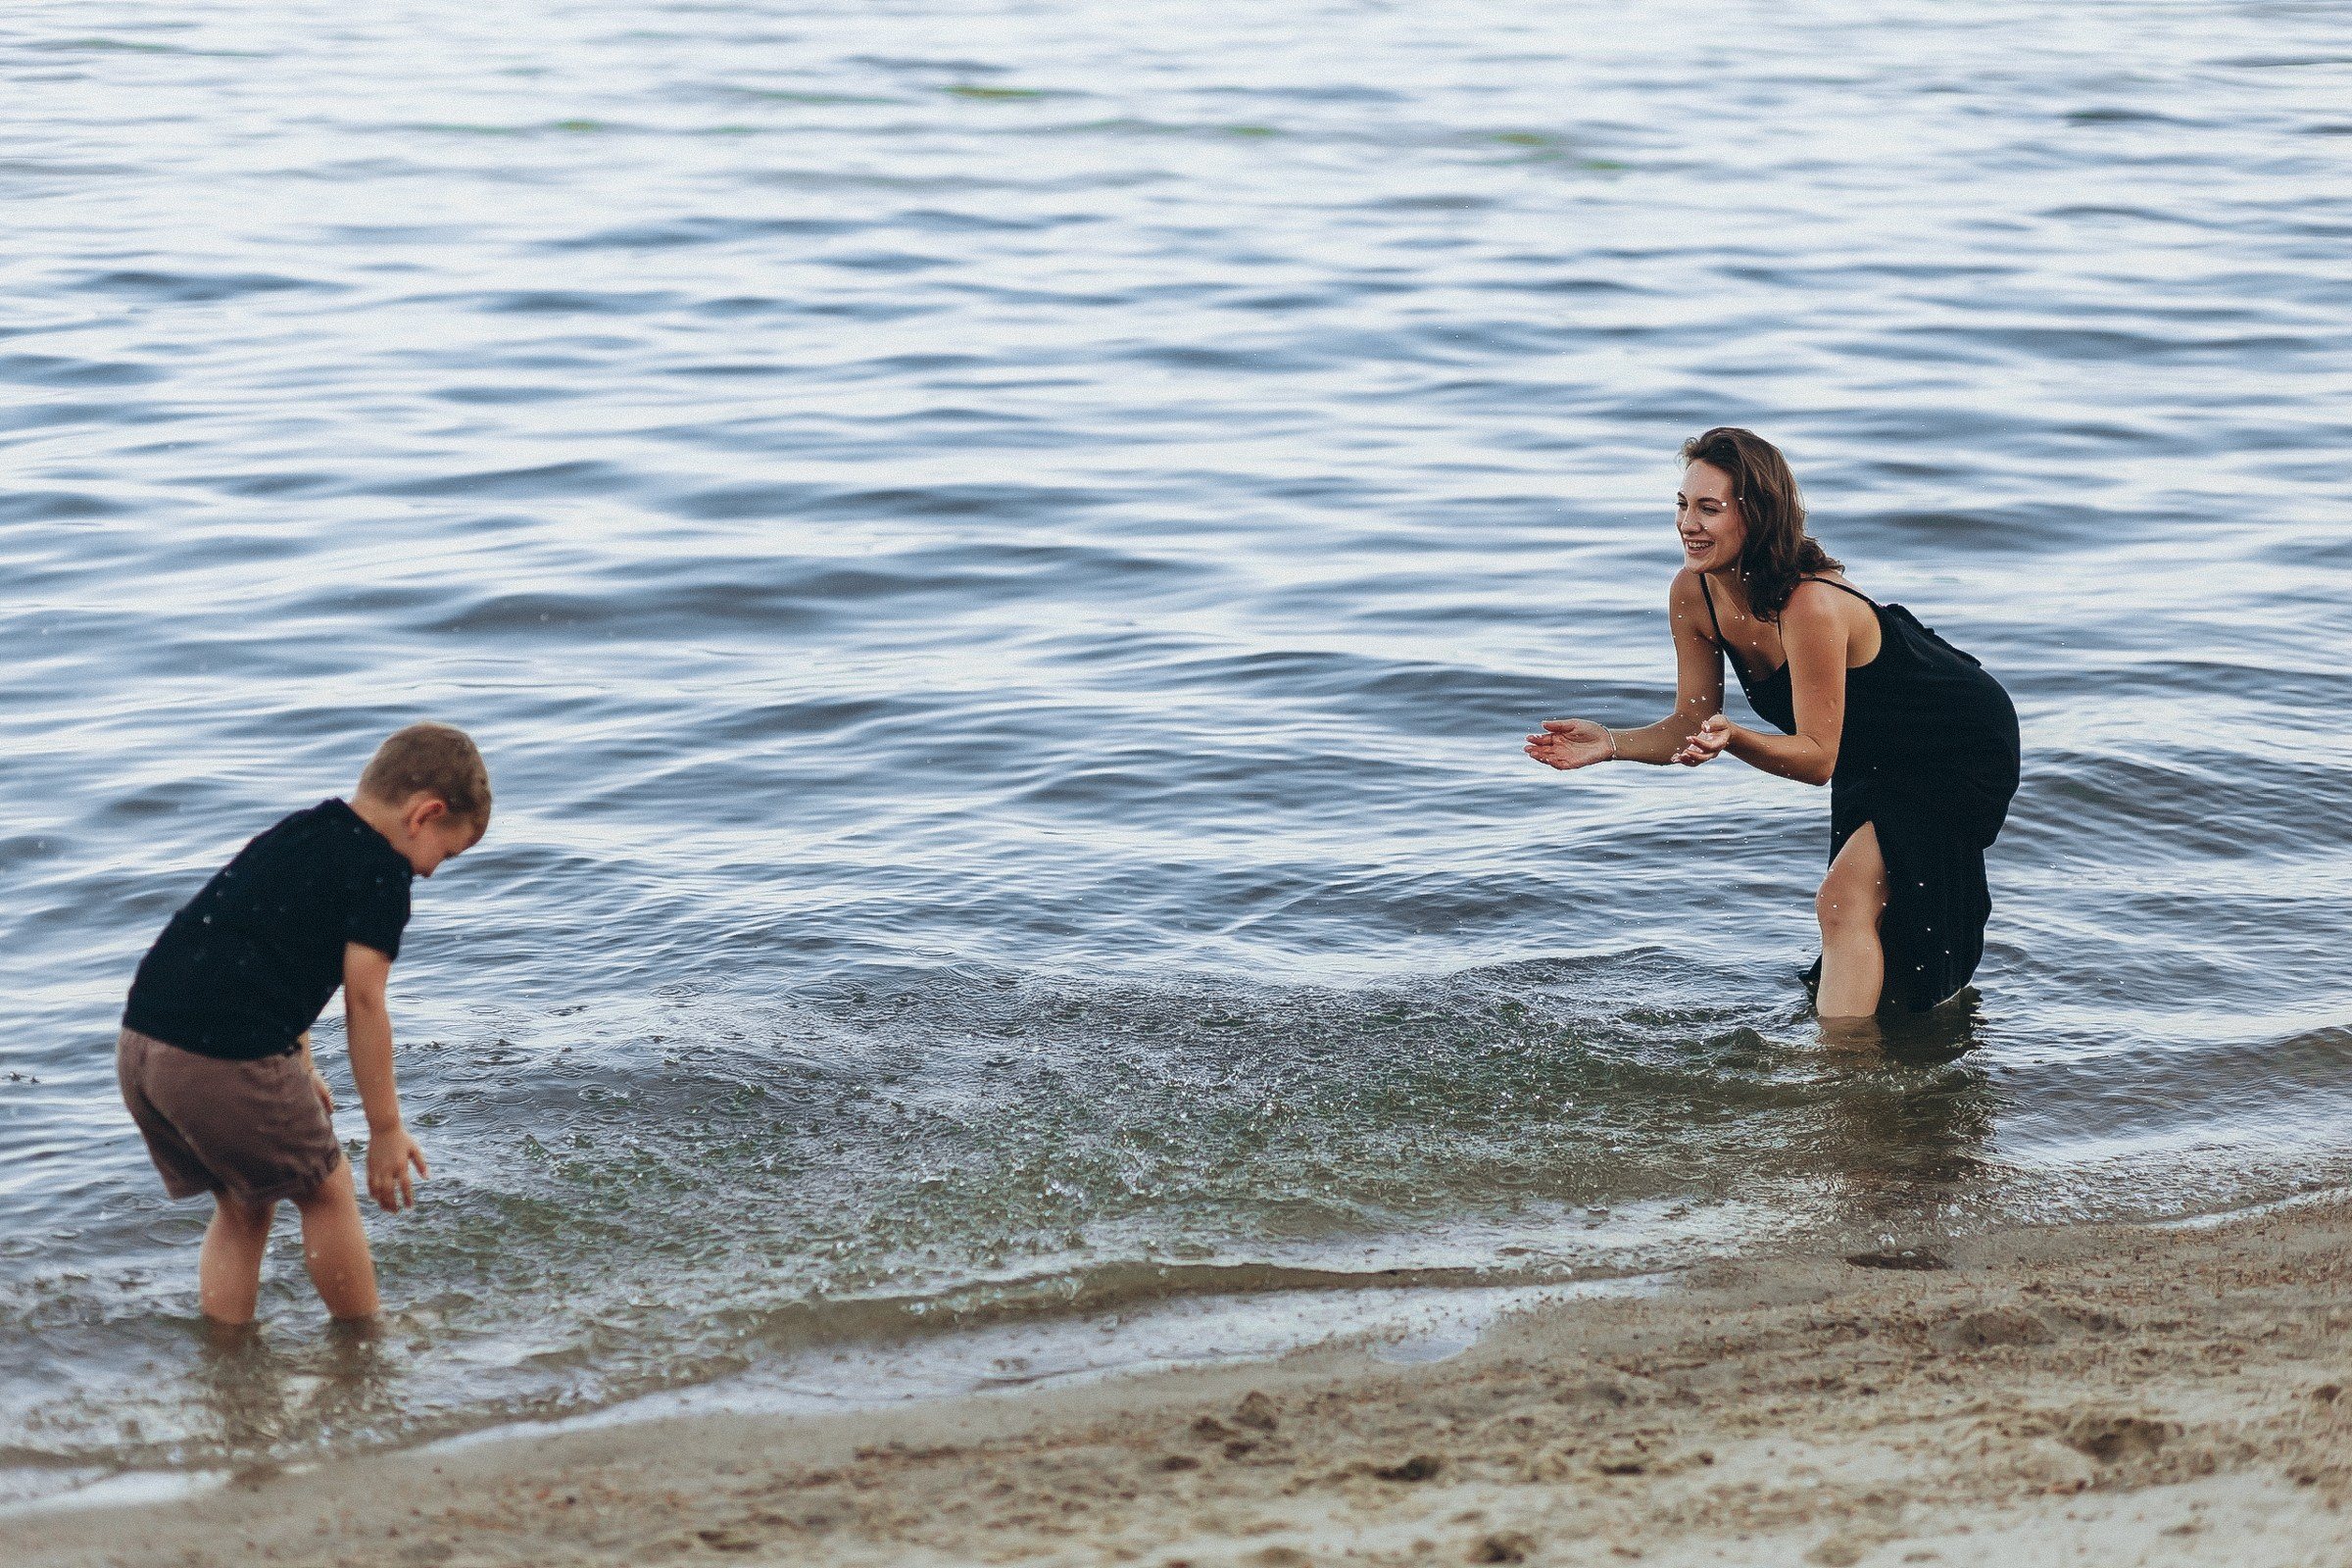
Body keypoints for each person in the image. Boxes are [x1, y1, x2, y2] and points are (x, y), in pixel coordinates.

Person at [1525, 429, 2019, 1024]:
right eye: (1683, 505)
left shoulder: (1808, 605)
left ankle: (1842, 1080)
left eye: (1710, 508)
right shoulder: (1693, 594)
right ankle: (1886, 1055)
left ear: (1757, 516)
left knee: (1842, 900)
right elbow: (1691, 720)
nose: (1689, 523)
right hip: (1869, 747)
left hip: (1954, 740)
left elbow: (1815, 761)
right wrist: (1612, 744)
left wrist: (1735, 739)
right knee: (1874, 917)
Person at [116, 723, 491, 1324]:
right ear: (426, 814)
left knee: (244, 1205)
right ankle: (365, 1349)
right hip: (221, 1057)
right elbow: (364, 1003)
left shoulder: (303, 830)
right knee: (327, 1189)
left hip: (143, 1045)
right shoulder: (381, 872)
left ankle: (230, 1363)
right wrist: (386, 1130)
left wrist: (297, 1058)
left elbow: (260, 948)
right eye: (446, 854)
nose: (430, 872)